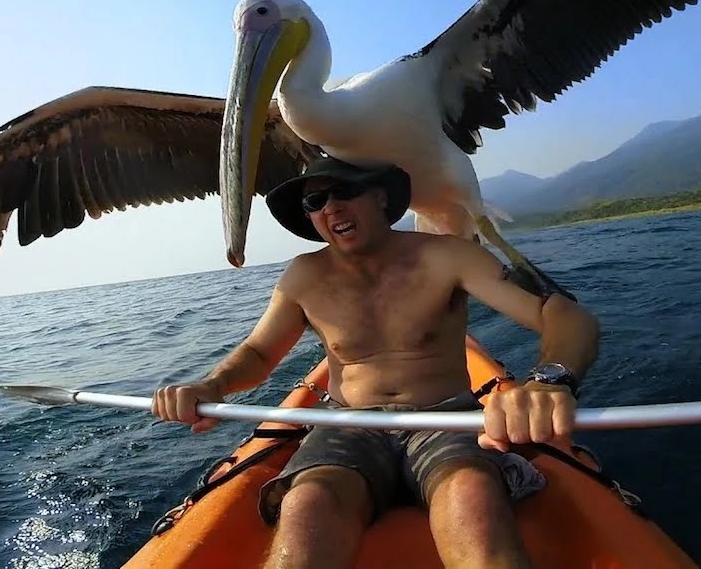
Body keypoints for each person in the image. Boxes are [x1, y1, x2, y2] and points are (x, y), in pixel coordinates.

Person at [151, 157, 600, 569]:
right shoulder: (304, 276)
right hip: (348, 426)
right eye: (316, 200)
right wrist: (212, 385)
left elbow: (561, 314)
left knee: (471, 493)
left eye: (345, 190)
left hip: (445, 421)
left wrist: (550, 380)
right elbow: (258, 353)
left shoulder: (445, 256)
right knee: (308, 504)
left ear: (381, 197)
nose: (332, 207)